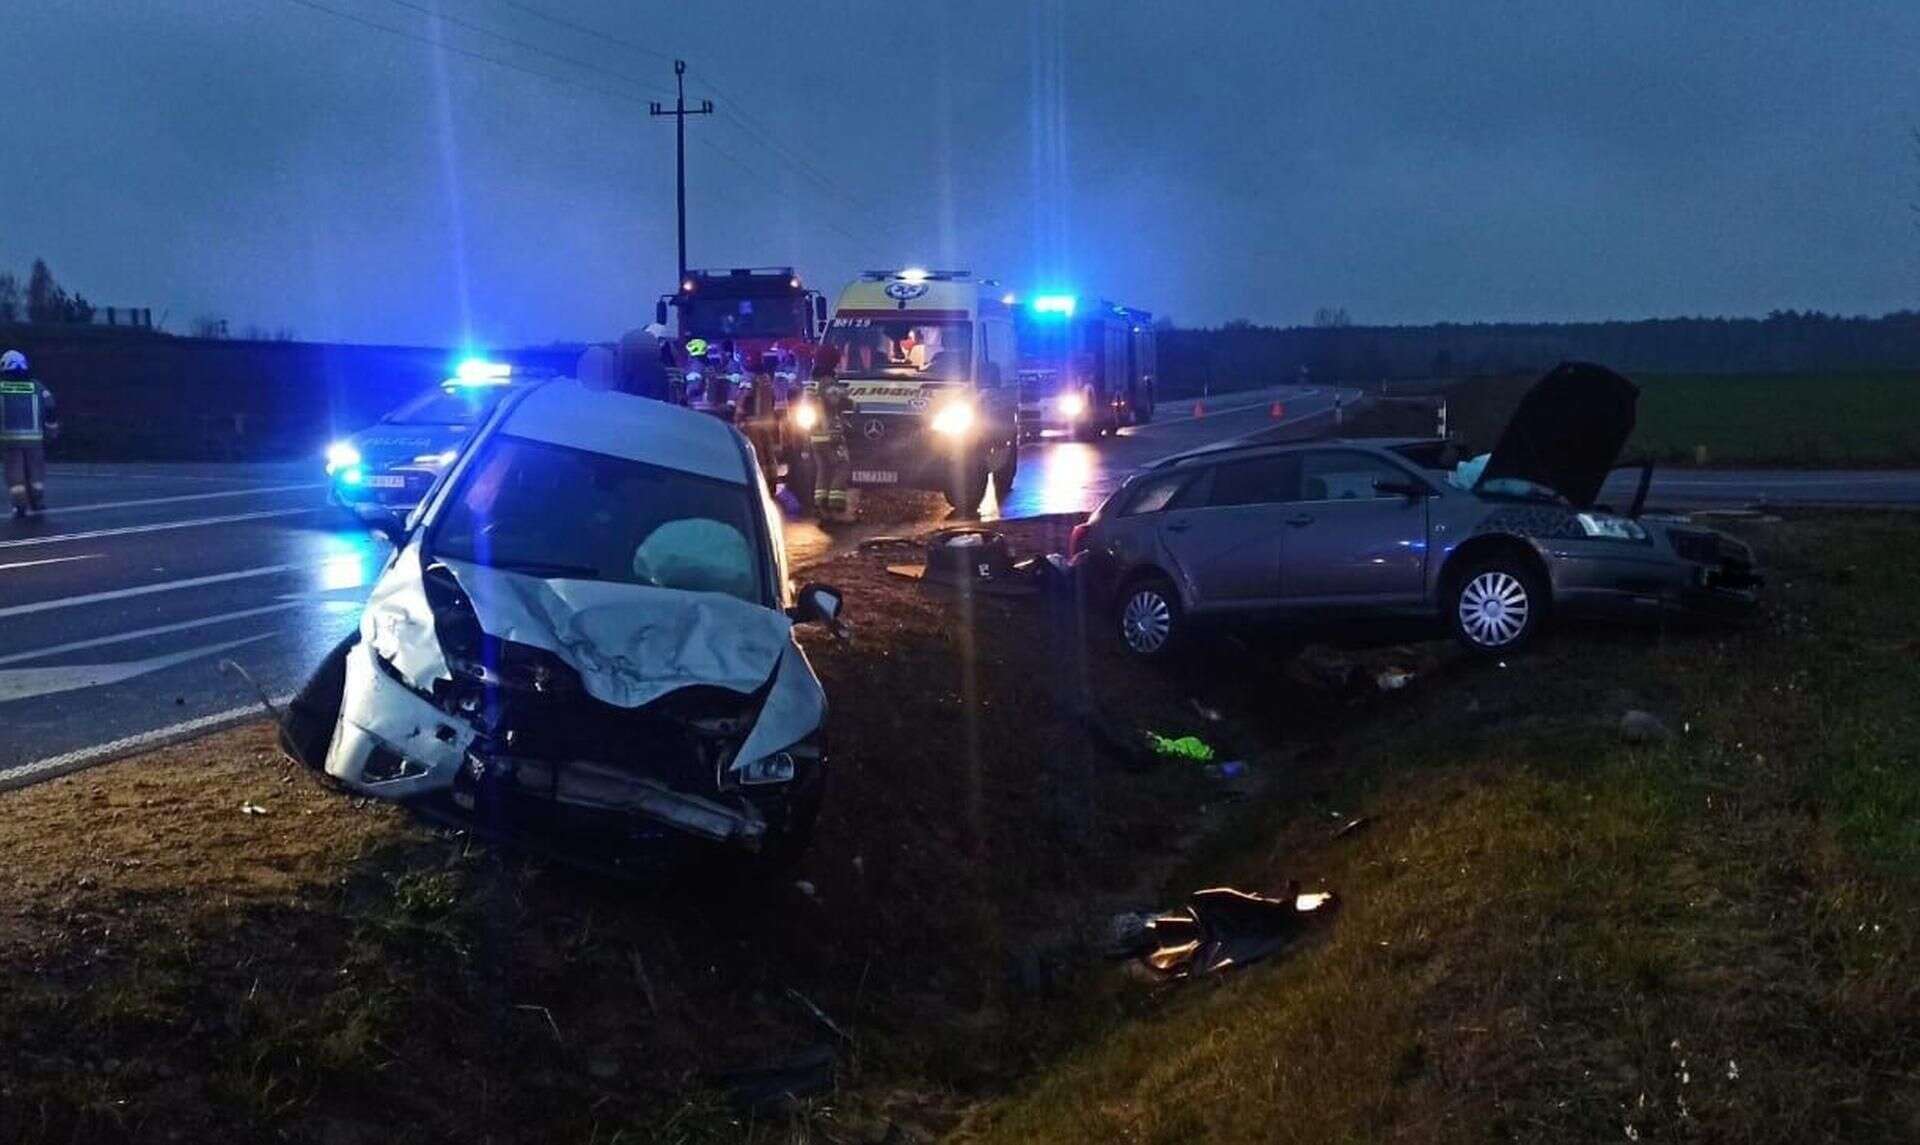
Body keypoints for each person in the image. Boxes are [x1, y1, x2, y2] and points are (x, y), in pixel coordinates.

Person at [0, 350, 57, 517]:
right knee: (36, 473)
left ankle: (20, 506)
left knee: (14, 473)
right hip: (35, 440)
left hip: (9, 441)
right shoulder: (38, 387)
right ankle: (38, 502)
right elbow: (50, 407)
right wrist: (52, 430)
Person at [809, 347, 856, 522]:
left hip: (815, 434)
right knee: (841, 466)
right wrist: (850, 402)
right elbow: (838, 400)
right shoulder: (828, 381)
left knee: (823, 469)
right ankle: (836, 509)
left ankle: (821, 506)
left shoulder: (811, 381)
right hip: (831, 433)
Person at [741, 352, 783, 489]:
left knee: (758, 455)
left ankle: (761, 484)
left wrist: (738, 416)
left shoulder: (749, 378)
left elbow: (743, 398)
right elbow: (773, 398)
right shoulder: (766, 378)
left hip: (753, 422)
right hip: (767, 421)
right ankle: (772, 482)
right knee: (769, 453)